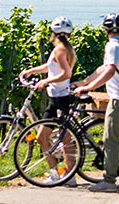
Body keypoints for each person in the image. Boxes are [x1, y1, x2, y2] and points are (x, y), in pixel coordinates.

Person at [72, 13, 119, 192]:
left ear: (105, 30)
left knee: (109, 140)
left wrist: (88, 89)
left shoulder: (112, 46)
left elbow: (109, 71)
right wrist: (85, 82)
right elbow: (102, 69)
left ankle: (109, 181)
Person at [20, 16, 78, 187]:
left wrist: (46, 81)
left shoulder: (60, 50)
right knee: (64, 136)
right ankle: (66, 174)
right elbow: (50, 67)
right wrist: (32, 71)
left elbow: (66, 74)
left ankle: (59, 174)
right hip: (59, 97)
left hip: (59, 98)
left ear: (53, 33)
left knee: (45, 137)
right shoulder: (62, 49)